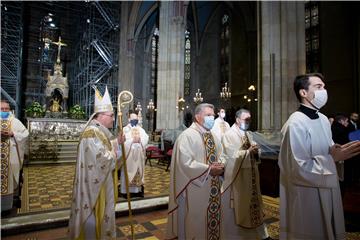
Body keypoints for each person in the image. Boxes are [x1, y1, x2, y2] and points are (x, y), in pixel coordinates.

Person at [278, 73, 360, 240]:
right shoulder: (295, 124)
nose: (324, 91)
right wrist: (332, 159)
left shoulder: (323, 119)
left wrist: (335, 151)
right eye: (318, 87)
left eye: (324, 86)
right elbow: (296, 167)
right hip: (306, 194)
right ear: (303, 92)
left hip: (328, 187)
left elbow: (327, 149)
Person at [68, 86, 124, 240]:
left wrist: (117, 143)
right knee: (93, 219)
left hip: (99, 183)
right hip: (94, 188)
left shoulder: (99, 132)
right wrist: (117, 150)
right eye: (111, 115)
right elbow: (102, 160)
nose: (113, 119)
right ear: (100, 116)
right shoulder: (91, 134)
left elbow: (106, 153)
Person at [166, 103, 225, 239]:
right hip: (194, 188)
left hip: (214, 187)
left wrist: (221, 165)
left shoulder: (213, 137)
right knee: (195, 222)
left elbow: (222, 155)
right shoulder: (186, 136)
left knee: (211, 221)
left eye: (213, 115)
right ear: (198, 117)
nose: (212, 118)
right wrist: (209, 169)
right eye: (208, 115)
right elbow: (185, 163)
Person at [221, 108, 271, 240]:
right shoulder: (229, 135)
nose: (248, 122)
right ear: (237, 120)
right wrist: (248, 151)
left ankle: (260, 234)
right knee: (242, 205)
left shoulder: (248, 134)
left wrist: (256, 151)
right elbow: (232, 157)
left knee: (255, 205)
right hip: (239, 177)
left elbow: (253, 150)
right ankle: (241, 235)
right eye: (245, 119)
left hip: (252, 174)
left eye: (249, 119)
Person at [0, 100, 29, 212]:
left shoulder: (15, 121)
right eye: (1, 109)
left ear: (9, 109)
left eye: (6, 109)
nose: (4, 111)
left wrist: (13, 134)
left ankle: (6, 207)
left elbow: (25, 134)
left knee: (9, 181)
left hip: (10, 157)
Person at [120, 111, 149, 198]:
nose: (135, 120)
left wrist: (140, 140)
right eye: (133, 119)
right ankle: (126, 191)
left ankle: (138, 190)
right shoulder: (125, 129)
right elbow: (122, 142)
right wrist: (132, 141)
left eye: (136, 119)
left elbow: (146, 138)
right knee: (127, 172)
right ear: (129, 119)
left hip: (139, 155)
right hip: (129, 156)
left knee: (138, 171)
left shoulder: (141, 129)